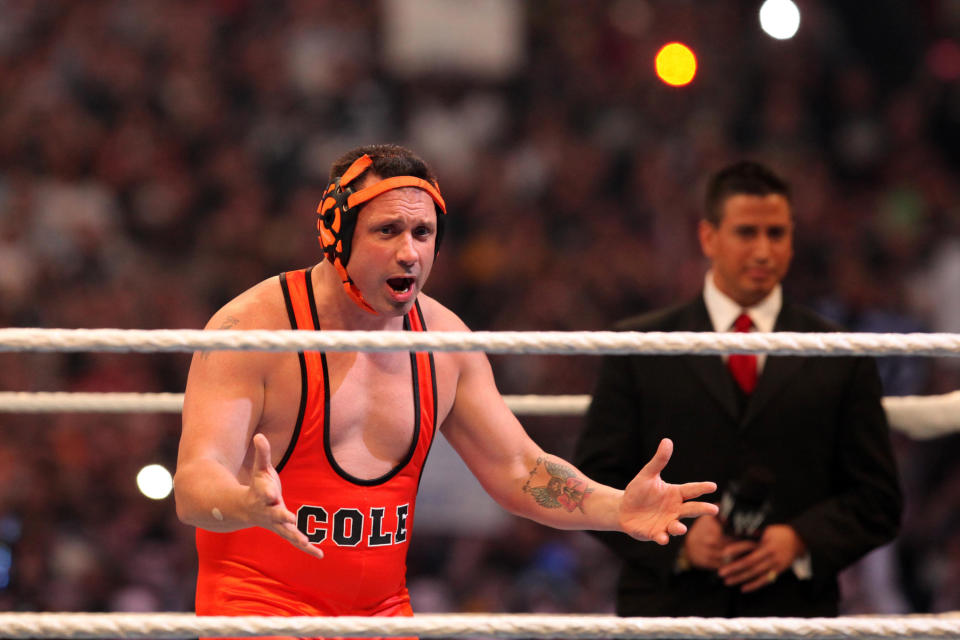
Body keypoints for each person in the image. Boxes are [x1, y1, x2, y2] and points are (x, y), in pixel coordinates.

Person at [173, 144, 718, 625]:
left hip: (383, 614)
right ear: (335, 233)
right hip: (259, 608)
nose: (410, 252)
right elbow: (195, 482)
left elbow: (518, 469)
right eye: (387, 231)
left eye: (423, 232)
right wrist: (244, 503)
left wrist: (617, 508)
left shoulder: (444, 340)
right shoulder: (252, 331)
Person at [573, 160, 902, 617]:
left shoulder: (840, 352)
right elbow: (592, 479)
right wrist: (675, 538)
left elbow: (879, 498)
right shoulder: (639, 345)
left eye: (778, 234)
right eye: (747, 233)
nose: (764, 251)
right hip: (666, 609)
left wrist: (801, 540)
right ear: (708, 237)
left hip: (790, 611)